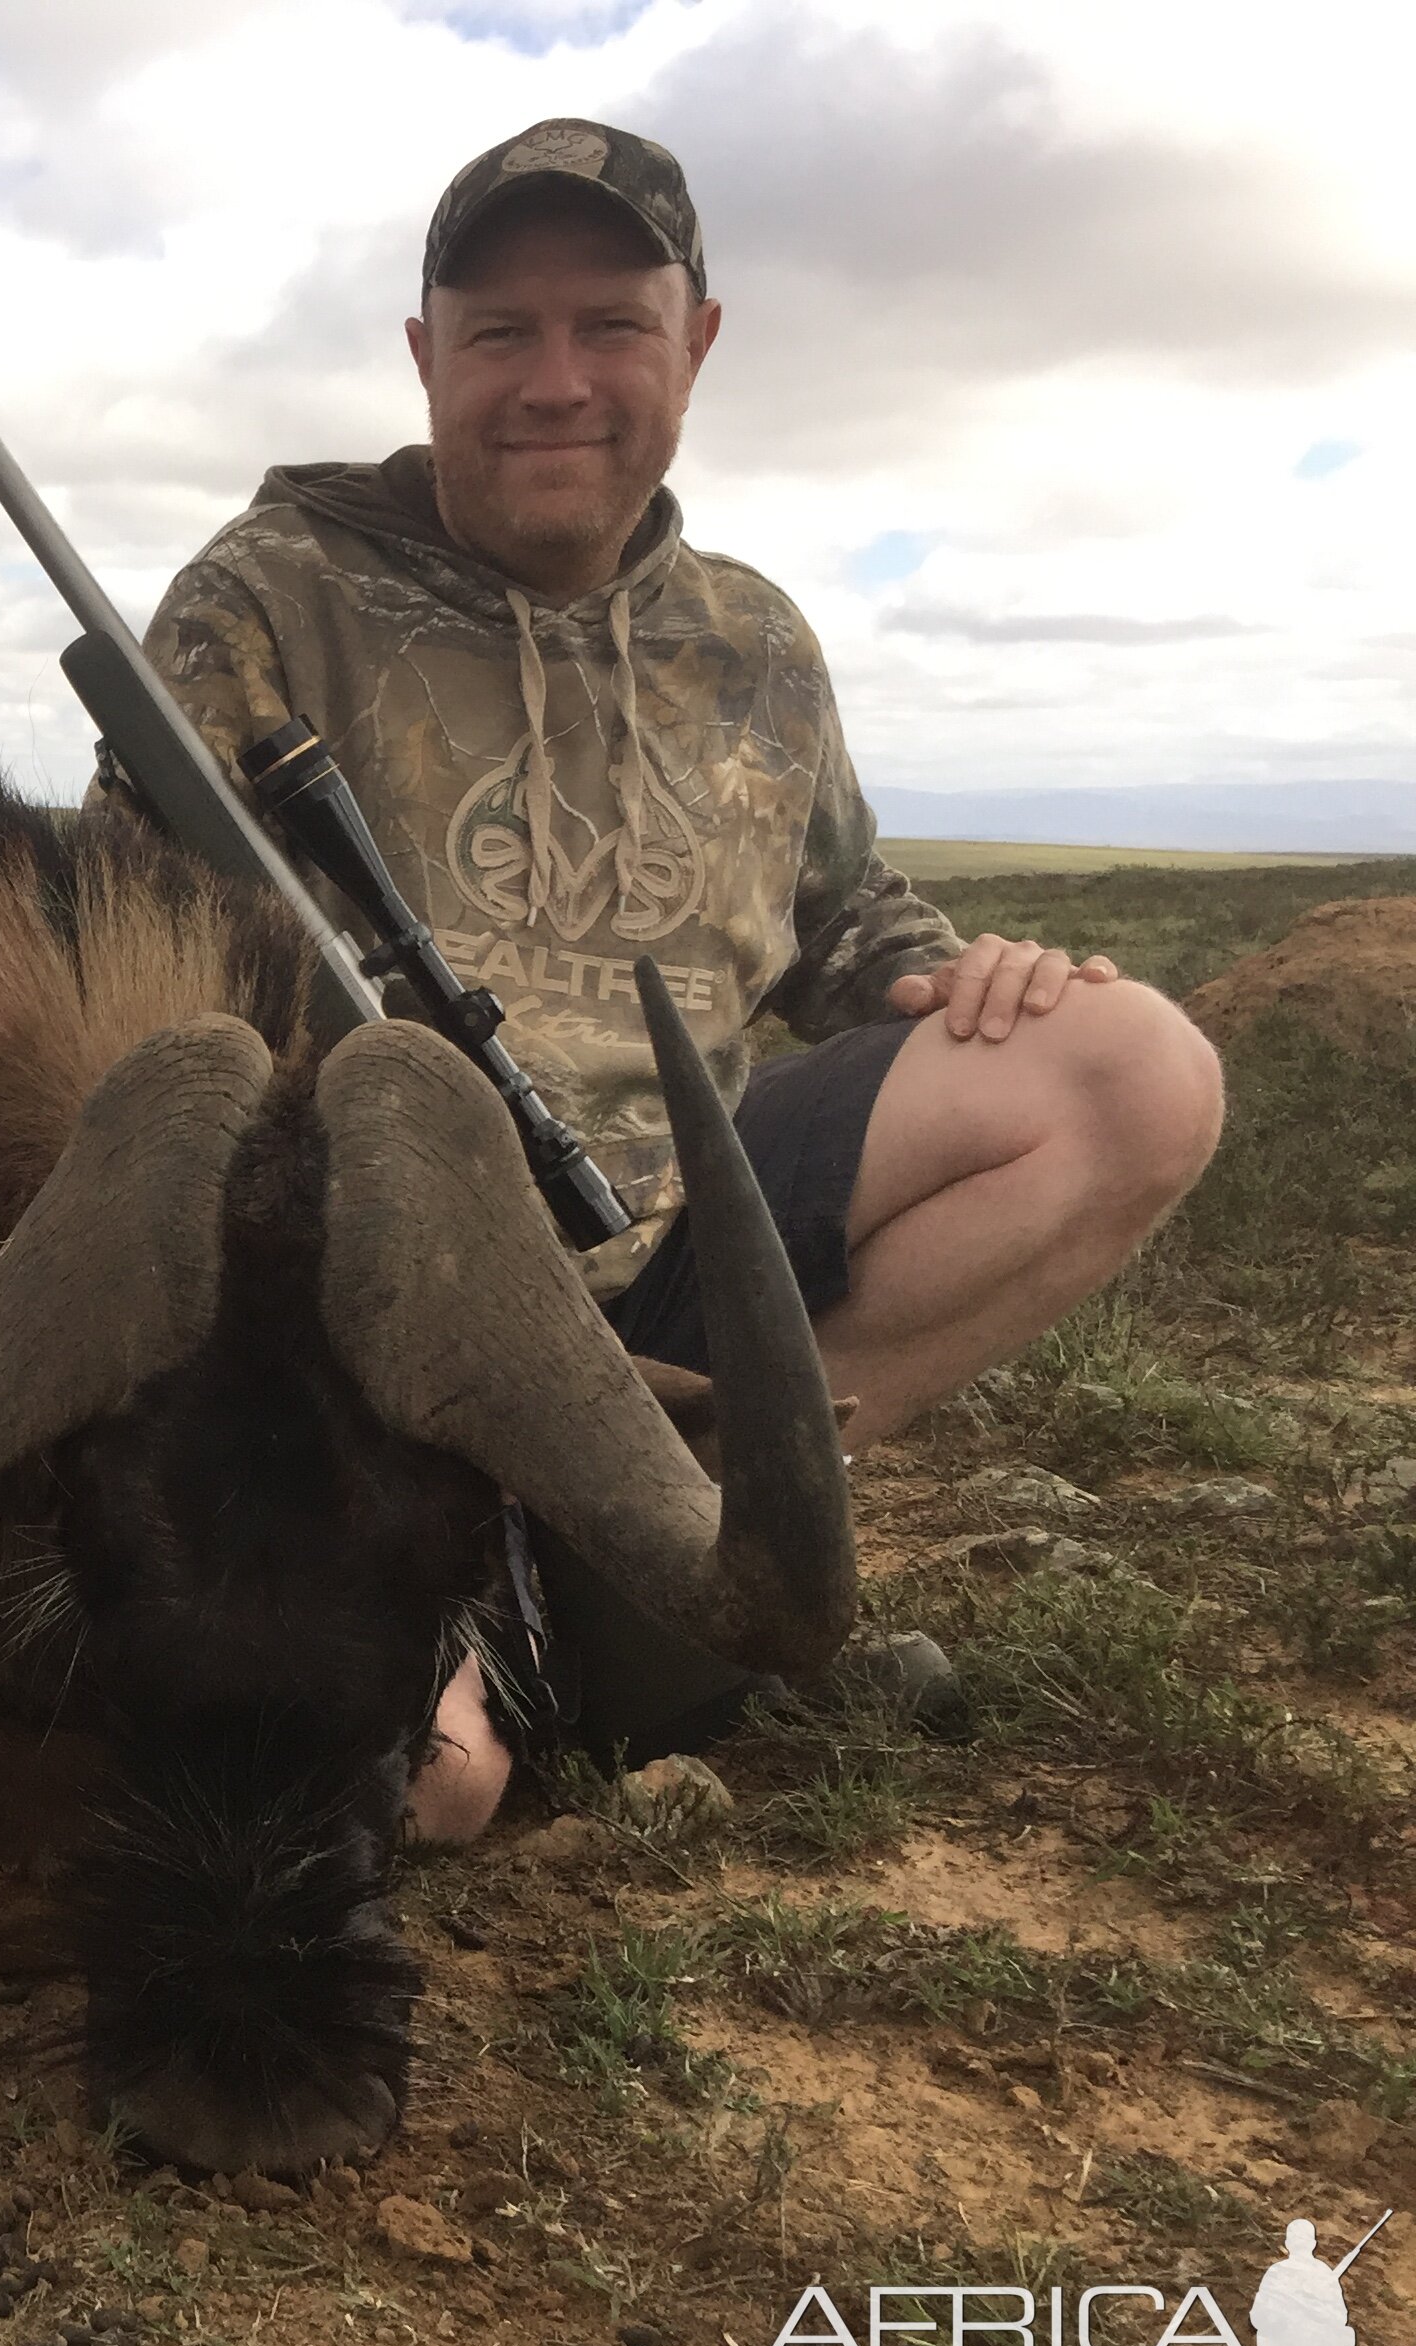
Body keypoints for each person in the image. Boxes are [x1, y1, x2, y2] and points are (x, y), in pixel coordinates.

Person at [85, 119, 1224, 1838]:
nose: (554, 382)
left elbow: (845, 920)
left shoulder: (753, 642)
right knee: (424, 1799)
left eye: (607, 325)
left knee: (1133, 1070)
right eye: (496, 335)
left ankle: (687, 1533)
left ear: (692, 342)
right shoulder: (259, 604)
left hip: (665, 1274)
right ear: (420, 358)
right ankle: (552, 1612)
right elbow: (118, 979)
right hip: (358, 1344)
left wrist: (963, 972)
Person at [1251, 2218, 1359, 2346]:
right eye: (1297, 2240)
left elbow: (1340, 2316)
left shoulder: (1324, 2274)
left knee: (1346, 2334)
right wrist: (1279, 2316)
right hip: (1283, 2341)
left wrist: (1318, 2313)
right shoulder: (1277, 2271)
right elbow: (1257, 2315)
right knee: (1263, 2333)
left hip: (1313, 2342)